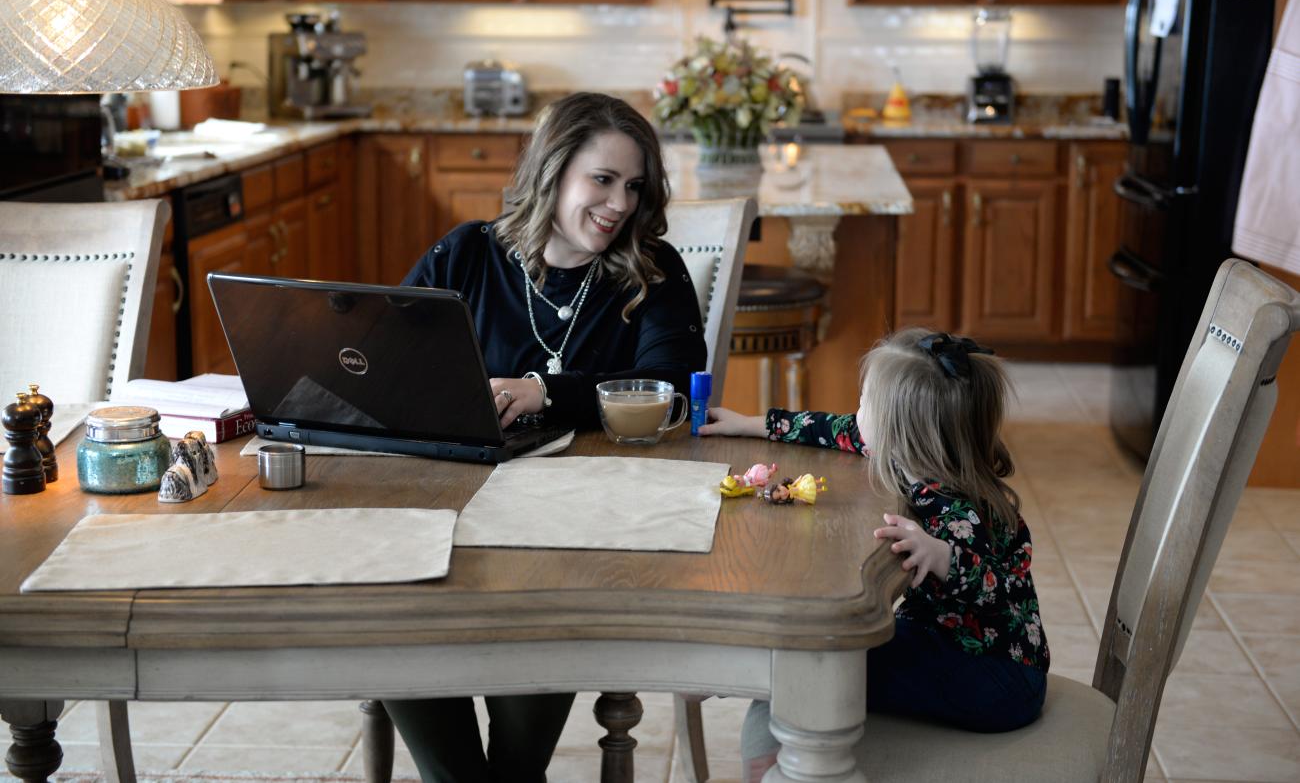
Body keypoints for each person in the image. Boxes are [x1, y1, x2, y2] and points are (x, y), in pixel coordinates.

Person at [387, 91, 707, 782]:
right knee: (384, 600)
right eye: (602, 179)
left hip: (581, 521)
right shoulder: (467, 253)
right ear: (553, 172)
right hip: (452, 500)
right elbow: (389, 362)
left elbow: (671, 387)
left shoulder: (653, 269)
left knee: (541, 591)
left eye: (634, 186)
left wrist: (543, 392)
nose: (620, 203)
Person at [700, 328, 1049, 782]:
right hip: (948, 644)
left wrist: (943, 556)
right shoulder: (909, 452)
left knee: (822, 662)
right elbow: (837, 429)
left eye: (865, 403)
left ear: (898, 429)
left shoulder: (961, 510)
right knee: (820, 659)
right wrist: (751, 423)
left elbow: (999, 594)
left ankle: (744, 681)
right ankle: (754, 681)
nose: (856, 413)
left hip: (995, 678)